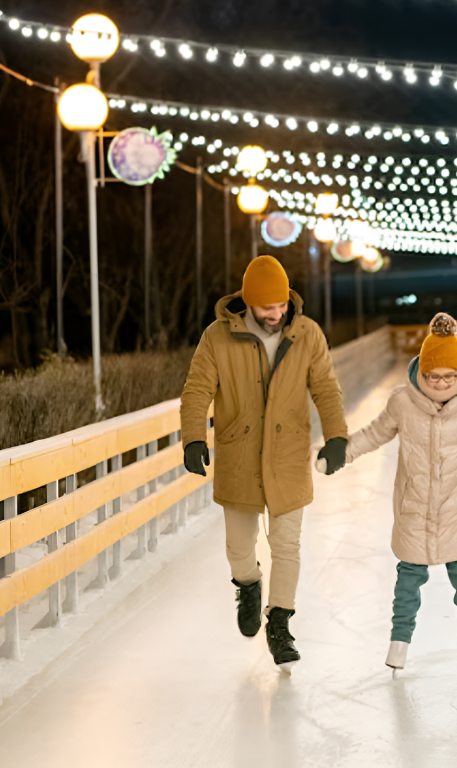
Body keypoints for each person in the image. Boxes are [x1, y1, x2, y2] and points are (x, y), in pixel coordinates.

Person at [180, 255, 348, 672]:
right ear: (249, 303)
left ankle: (280, 621)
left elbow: (326, 387)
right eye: (267, 308)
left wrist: (337, 437)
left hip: (289, 455)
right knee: (239, 549)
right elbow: (197, 389)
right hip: (239, 455)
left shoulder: (307, 334)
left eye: (281, 306)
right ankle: (249, 584)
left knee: (286, 545)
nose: (276, 315)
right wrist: (194, 438)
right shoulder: (217, 338)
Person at [334, 313, 457, 671]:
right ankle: (399, 642)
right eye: (432, 376)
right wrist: (344, 451)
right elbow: (376, 432)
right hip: (415, 507)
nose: (441, 383)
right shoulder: (402, 403)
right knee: (408, 579)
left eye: (449, 375)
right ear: (421, 373)